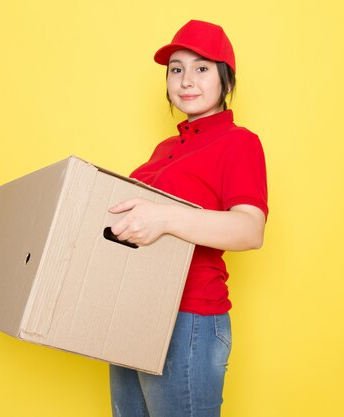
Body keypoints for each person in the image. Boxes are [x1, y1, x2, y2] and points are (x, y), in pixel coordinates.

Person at [108, 19, 268, 417]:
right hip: (130, 310)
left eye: (201, 68)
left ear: (225, 82)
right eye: (176, 69)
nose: (186, 80)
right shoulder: (163, 149)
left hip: (188, 317)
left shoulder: (239, 143)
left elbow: (250, 229)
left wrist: (164, 219)